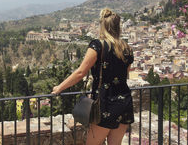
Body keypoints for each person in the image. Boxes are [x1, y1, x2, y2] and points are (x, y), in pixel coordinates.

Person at [51, 8, 134, 145]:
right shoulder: (127, 49)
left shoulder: (98, 45)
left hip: (105, 104)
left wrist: (60, 88)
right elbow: (126, 75)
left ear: (103, 26)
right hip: (124, 102)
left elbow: (80, 72)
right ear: (118, 26)